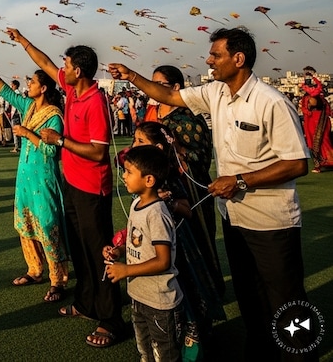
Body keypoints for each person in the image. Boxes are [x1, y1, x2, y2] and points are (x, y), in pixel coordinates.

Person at [109, 27, 316, 361]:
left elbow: (297, 163)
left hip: (271, 221)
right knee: (249, 293)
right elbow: (170, 97)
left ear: (239, 58)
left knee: (287, 298)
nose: (208, 60)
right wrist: (130, 75)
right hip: (233, 216)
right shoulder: (216, 93)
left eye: (215, 54)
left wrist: (241, 180)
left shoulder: (271, 101)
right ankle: (261, 350)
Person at [6, 28, 125, 348]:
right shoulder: (72, 91)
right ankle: (86, 303)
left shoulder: (95, 101)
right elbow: (44, 62)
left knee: (100, 253)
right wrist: (22, 40)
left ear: (79, 71)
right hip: (72, 184)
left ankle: (112, 319)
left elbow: (99, 152)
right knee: (81, 251)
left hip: (91, 188)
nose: (62, 68)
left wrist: (60, 140)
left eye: (67, 64)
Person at [0, 60, 69, 303]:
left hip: (44, 178)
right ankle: (35, 270)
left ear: (43, 89)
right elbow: (7, 93)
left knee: (48, 225)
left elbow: (53, 153)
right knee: (26, 225)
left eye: (32, 82)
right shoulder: (29, 106)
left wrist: (28, 133)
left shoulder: (54, 117)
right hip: (25, 178)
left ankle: (58, 279)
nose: (28, 85)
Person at [144, 64, 223, 300]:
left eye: (161, 85)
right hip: (157, 189)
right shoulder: (152, 114)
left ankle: (207, 296)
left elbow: (201, 156)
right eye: (152, 83)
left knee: (197, 243)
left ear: (176, 88)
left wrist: (177, 149)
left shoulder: (189, 118)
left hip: (189, 191)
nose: (154, 89)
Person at [103, 145, 184, 361]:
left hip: (160, 302)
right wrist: (118, 252)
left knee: (165, 355)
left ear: (149, 180)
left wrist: (126, 270)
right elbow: (136, 243)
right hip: (139, 296)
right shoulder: (137, 203)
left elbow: (163, 261)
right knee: (145, 352)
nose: (124, 176)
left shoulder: (157, 214)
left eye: (129, 172)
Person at [299, 67, 333, 172]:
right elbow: (304, 108)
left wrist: (314, 80)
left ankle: (324, 163)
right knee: (313, 142)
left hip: (319, 120)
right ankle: (319, 164)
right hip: (311, 121)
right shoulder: (306, 97)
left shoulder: (317, 95)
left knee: (322, 141)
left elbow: (314, 98)